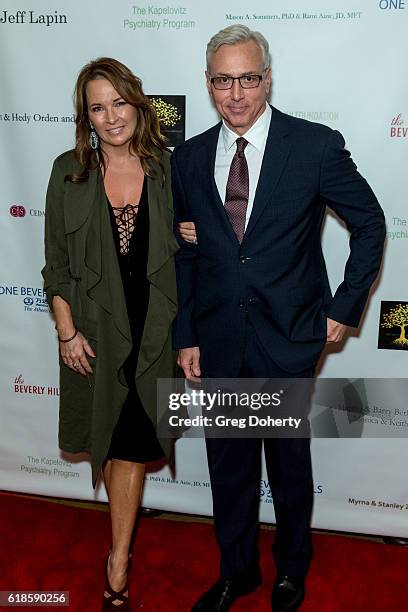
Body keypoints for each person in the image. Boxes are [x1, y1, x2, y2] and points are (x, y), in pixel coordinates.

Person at [172, 25, 385, 612]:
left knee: (289, 467)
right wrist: (185, 334)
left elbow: (370, 224)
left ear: (267, 78)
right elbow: (187, 255)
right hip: (217, 339)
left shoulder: (313, 146)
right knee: (228, 465)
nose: (236, 93)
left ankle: (292, 568)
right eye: (223, 80)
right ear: (209, 83)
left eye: (247, 78)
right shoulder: (187, 158)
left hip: (289, 336)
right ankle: (236, 573)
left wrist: (343, 309)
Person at [42, 57, 182, 611]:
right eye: (97, 107)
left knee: (130, 447)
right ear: (87, 116)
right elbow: (55, 262)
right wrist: (65, 332)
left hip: (153, 335)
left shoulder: (169, 169)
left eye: (118, 103)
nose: (110, 116)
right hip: (93, 334)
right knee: (109, 436)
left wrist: (191, 233)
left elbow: (195, 249)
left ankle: (118, 558)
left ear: (137, 104)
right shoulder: (67, 171)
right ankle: (120, 550)